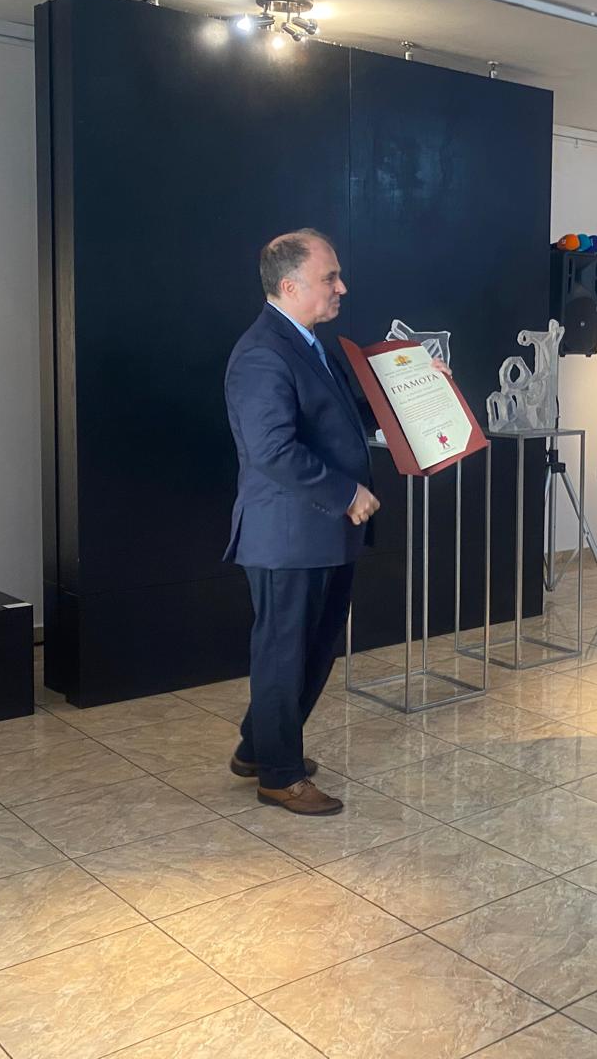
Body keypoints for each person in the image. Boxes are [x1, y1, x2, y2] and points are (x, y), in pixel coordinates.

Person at [222, 229, 381, 816]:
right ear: (290, 286)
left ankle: (257, 749)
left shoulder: (310, 342)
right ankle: (280, 777)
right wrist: (344, 492)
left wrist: (412, 389)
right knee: (285, 655)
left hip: (322, 532)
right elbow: (272, 449)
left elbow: (337, 418)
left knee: (313, 649)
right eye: (329, 277)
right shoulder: (263, 353)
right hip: (289, 535)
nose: (342, 287)